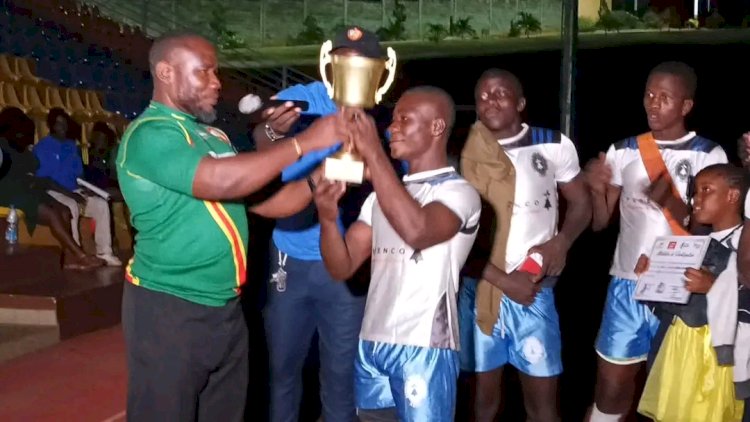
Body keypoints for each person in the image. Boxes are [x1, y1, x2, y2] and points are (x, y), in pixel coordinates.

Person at [116, 31, 348, 422]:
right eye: (204, 72)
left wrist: (319, 177)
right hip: (169, 307)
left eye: (216, 72)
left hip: (224, 309)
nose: (216, 82)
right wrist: (302, 143)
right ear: (166, 72)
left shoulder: (213, 136)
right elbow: (219, 180)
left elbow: (271, 202)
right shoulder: (150, 133)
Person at [314, 86, 481, 421]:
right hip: (371, 343)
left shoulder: (459, 192)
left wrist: (374, 152)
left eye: (405, 119)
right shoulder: (380, 198)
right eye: (393, 120)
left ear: (436, 127)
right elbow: (341, 266)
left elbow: (417, 230)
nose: (392, 128)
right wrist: (328, 218)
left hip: (424, 346)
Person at [252, 25, 385, 422]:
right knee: (282, 373)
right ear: (330, 63)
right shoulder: (303, 100)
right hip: (289, 258)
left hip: (348, 266)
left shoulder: (382, 119)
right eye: (343, 59)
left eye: (360, 63)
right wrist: (274, 130)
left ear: (378, 72)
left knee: (341, 378)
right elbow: (263, 137)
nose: (351, 68)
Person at [584, 61, 728, 421]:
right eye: (649, 94)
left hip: (681, 291)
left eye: (665, 98)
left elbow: (712, 230)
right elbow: (601, 223)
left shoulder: (709, 154)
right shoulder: (623, 150)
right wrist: (595, 189)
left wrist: (668, 198)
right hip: (627, 285)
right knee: (611, 390)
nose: (653, 103)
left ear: (686, 106)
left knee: (674, 396)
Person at [457, 68, 591, 422]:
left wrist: (561, 242)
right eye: (483, 95)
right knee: (482, 403)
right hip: (481, 289)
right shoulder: (463, 153)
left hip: (534, 290)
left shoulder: (552, 144)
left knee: (543, 405)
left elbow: (582, 203)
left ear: (520, 102)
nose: (490, 101)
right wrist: (504, 281)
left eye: (500, 93)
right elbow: (456, 238)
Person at [636, 163, 746, 421]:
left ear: (733, 196)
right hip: (677, 356)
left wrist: (715, 287)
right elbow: (667, 307)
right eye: (695, 191)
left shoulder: (747, 248)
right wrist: (650, 278)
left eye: (707, 190)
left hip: (721, 366)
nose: (697, 198)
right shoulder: (689, 245)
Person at [0, 107, 102, 270]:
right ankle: (80, 255)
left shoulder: (20, 148)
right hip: (9, 193)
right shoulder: (2, 146)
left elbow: (33, 167)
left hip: (29, 189)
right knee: (52, 213)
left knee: (64, 210)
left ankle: (69, 258)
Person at [33, 108, 121, 266]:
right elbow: (46, 180)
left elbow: (79, 175)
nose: (63, 127)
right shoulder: (43, 147)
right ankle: (75, 254)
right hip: (53, 192)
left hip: (74, 190)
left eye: (64, 124)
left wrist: (86, 189)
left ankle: (105, 252)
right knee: (71, 205)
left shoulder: (71, 146)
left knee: (101, 204)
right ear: (51, 126)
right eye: (59, 124)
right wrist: (71, 194)